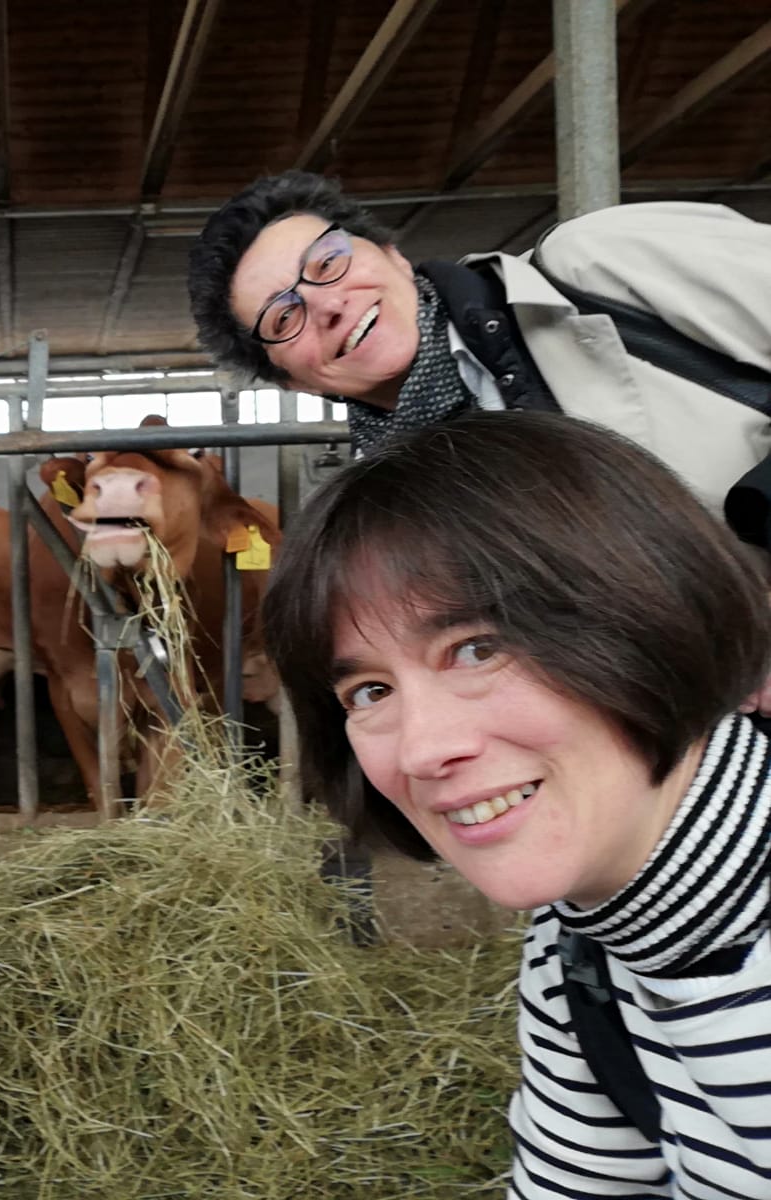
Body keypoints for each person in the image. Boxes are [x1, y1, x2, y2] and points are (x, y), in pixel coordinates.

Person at [261, 410, 771, 1198]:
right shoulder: (577, 951)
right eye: (368, 691)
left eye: (477, 648)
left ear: (650, 606)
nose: (422, 750)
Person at [186, 170, 771, 523]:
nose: (327, 302)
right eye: (284, 316)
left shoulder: (597, 263)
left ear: (390, 254)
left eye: (328, 261)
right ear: (292, 381)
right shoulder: (396, 510)